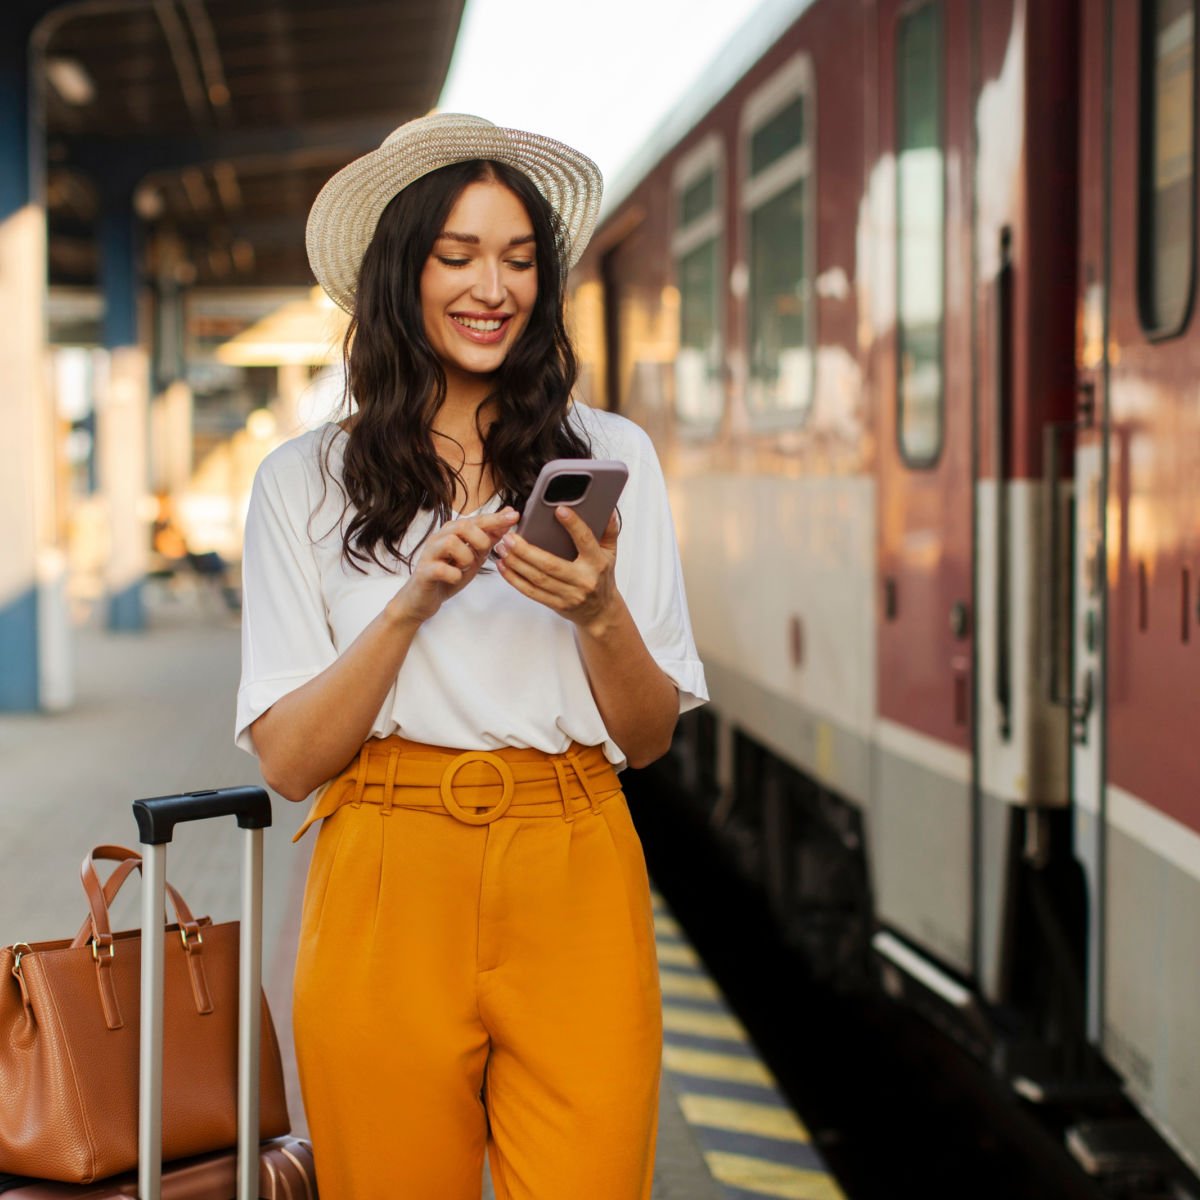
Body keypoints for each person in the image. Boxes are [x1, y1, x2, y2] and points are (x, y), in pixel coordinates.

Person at [234, 113, 707, 1200]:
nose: (492, 286)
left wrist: (597, 614)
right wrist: (410, 607)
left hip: (575, 860)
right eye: (457, 256)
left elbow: (647, 739)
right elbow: (293, 762)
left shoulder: (611, 456)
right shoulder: (301, 482)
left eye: (518, 259)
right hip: (383, 878)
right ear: (400, 276)